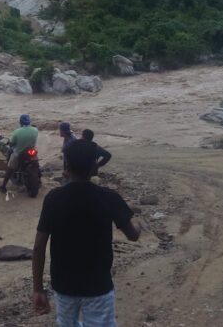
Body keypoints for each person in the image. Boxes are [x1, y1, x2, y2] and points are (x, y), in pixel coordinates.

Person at [32, 139, 141, 324]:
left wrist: (38, 289)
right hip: (98, 286)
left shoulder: (53, 198)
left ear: (65, 166)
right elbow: (133, 235)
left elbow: (39, 247)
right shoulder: (109, 198)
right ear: (94, 167)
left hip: (63, 285)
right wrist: (137, 220)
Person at [0, 114, 39, 194]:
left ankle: (3, 186)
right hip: (31, 152)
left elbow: (12, 144)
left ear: (20, 122)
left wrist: (10, 143)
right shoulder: (35, 130)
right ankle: (39, 179)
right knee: (37, 164)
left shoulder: (17, 132)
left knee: (10, 168)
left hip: (20, 153)